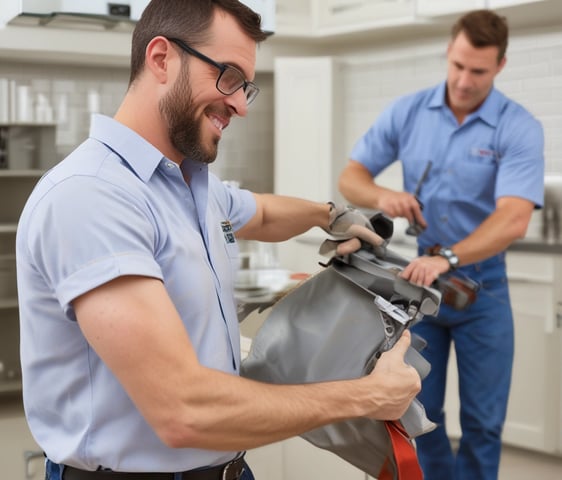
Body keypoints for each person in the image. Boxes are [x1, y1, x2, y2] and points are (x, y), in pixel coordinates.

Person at [15, 1, 423, 479]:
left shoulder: (191, 185)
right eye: (227, 76)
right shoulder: (93, 196)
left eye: (246, 85)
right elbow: (184, 411)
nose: (241, 104)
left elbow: (265, 213)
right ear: (162, 59)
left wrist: (330, 215)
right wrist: (366, 396)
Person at [339, 9, 544, 480]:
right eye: (457, 66)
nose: (464, 80)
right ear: (447, 54)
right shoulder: (409, 112)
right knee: (417, 417)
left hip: (483, 288)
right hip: (421, 289)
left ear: (500, 66)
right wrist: (383, 195)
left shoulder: (517, 127)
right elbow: (351, 177)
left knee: (483, 424)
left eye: (478, 71)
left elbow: (513, 218)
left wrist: (449, 258)